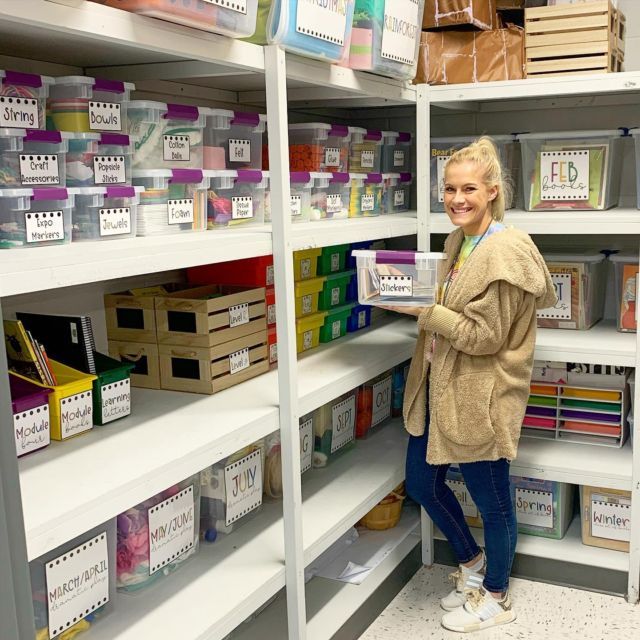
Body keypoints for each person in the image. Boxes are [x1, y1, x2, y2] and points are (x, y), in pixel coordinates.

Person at [390, 137, 557, 633]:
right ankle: (472, 564)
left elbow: (484, 339)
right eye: (449, 189)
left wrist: (423, 309)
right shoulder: (459, 242)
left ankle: (498, 595)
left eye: (468, 189)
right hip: (441, 389)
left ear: (491, 192)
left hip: (481, 395)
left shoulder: (504, 254)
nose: (456, 199)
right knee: (422, 484)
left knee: (494, 501)